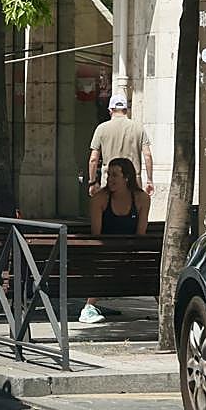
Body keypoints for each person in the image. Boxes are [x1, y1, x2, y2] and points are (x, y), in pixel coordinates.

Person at [82, 157, 151, 323]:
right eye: (108, 175)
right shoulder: (100, 199)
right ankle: (88, 307)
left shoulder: (141, 198)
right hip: (106, 253)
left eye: (114, 175)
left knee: (147, 266)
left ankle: (164, 309)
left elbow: (140, 234)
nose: (109, 179)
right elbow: (96, 234)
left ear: (126, 177)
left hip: (131, 253)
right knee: (104, 262)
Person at [88, 92, 153, 196]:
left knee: (109, 210)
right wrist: (149, 180)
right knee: (134, 210)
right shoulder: (138, 128)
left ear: (110, 110)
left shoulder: (101, 129)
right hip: (133, 180)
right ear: (126, 110)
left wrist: (92, 182)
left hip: (109, 180)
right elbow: (147, 155)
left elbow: (93, 159)